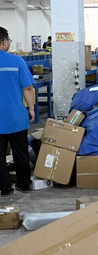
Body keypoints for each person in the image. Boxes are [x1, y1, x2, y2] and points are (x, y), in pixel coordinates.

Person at [0, 27, 35, 196]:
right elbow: (28, 88)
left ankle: (5, 189)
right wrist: (31, 108)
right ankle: (24, 185)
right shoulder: (17, 61)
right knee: (20, 152)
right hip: (16, 117)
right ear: (4, 41)